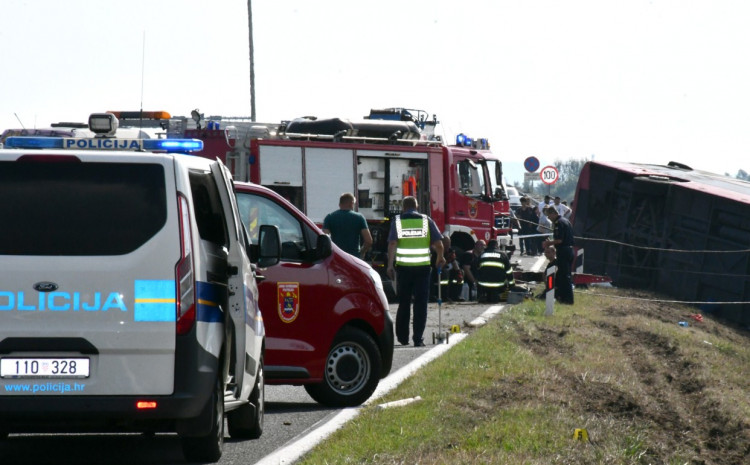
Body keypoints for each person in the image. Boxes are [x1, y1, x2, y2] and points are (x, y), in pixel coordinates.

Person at [387, 196, 445, 346]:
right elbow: (439, 243)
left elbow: (392, 243)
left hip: (404, 268)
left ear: (404, 207)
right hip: (423, 269)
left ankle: (403, 338)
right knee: (421, 304)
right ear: (417, 206)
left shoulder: (397, 221)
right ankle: (418, 338)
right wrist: (440, 258)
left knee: (404, 303)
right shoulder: (426, 220)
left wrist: (390, 265)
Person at [323, 192, 373, 259]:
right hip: (354, 258)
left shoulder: (329, 217)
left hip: (336, 257)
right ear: (352, 203)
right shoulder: (359, 217)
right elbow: (368, 241)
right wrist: (361, 252)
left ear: (339, 204)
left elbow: (324, 240)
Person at [543, 206, 575, 304]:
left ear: (553, 213)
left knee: (565, 276)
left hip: (564, 251)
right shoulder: (566, 221)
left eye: (549, 216)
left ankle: (568, 299)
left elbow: (560, 240)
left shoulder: (558, 223)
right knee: (563, 275)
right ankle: (562, 297)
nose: (549, 218)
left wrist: (549, 243)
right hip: (569, 250)